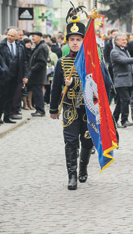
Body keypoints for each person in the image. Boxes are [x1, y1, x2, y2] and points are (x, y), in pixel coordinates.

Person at [49, 14, 93, 190]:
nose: (75, 43)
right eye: (72, 39)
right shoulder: (61, 62)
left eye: (78, 39)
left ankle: (83, 166)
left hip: (88, 108)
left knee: (87, 141)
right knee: (70, 140)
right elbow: (55, 88)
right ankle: (72, 175)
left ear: (84, 40)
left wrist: (75, 82)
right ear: (67, 42)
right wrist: (53, 108)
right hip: (69, 107)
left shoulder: (92, 61)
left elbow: (98, 84)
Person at [0, 28, 29, 123]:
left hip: (16, 76)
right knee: (2, 97)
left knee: (11, 97)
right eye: (8, 35)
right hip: (4, 76)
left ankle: (7, 116)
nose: (9, 37)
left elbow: (24, 62)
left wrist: (25, 75)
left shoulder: (20, 46)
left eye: (12, 36)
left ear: (15, 37)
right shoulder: (1, 45)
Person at [111, 33, 133, 128]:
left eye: (125, 39)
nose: (125, 41)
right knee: (125, 100)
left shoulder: (124, 50)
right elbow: (124, 61)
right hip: (121, 80)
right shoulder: (114, 52)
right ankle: (124, 120)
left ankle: (113, 120)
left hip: (127, 80)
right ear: (116, 41)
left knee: (120, 101)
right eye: (122, 40)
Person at [28, 31, 49, 117]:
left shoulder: (42, 47)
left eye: (34, 36)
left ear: (40, 37)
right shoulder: (39, 46)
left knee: (38, 92)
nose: (32, 38)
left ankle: (40, 110)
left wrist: (31, 69)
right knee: (37, 92)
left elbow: (41, 62)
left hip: (38, 75)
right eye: (32, 36)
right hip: (36, 75)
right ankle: (39, 110)